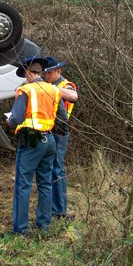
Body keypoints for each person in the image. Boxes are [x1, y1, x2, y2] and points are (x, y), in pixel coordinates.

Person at [7, 56, 67, 235]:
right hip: (49, 141)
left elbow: (16, 118)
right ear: (40, 72)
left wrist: (9, 119)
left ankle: (20, 230)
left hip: (31, 143)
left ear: (27, 73)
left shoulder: (25, 90)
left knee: (23, 185)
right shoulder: (54, 90)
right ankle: (44, 226)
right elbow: (62, 119)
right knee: (45, 183)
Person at [43, 56, 78, 219]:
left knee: (57, 169)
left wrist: (50, 89)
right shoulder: (48, 85)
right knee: (49, 169)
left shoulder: (65, 85)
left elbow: (73, 96)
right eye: (45, 74)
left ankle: (59, 210)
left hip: (60, 132)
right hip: (48, 130)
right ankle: (52, 207)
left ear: (58, 71)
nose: (46, 76)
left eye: (49, 73)